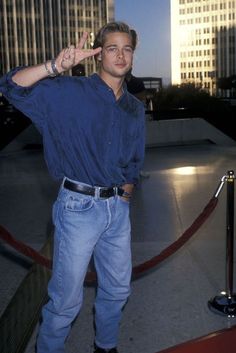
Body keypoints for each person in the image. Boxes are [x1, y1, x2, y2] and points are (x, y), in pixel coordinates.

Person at [0, 22, 145, 353]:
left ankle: (105, 346)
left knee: (118, 289)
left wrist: (124, 196)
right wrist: (54, 67)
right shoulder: (68, 92)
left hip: (116, 210)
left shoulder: (134, 108)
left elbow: (134, 159)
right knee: (66, 300)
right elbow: (10, 86)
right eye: (112, 48)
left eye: (127, 49)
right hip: (78, 208)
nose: (121, 55)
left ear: (133, 56)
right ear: (98, 54)